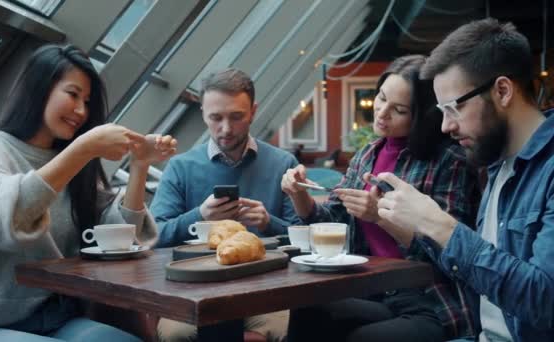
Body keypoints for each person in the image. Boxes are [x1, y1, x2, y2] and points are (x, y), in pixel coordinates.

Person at [0, 44, 177, 342]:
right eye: (72, 94)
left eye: (86, 101)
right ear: (39, 88)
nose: (81, 111)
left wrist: (140, 166)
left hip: (61, 319)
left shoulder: (72, 162)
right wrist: (83, 148)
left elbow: (121, 237)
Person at [374, 19, 554, 342]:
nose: (445, 126)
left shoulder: (548, 170)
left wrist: (439, 224)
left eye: (453, 108)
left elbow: (545, 300)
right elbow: (482, 277)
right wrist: (418, 229)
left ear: (502, 91)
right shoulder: (498, 165)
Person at [281, 55, 481, 342]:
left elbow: (453, 251)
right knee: (306, 310)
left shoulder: (449, 161)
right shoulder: (366, 155)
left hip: (429, 300)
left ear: (421, 115)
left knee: (363, 338)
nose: (382, 112)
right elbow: (334, 221)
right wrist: (300, 195)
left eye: (398, 109)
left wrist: (380, 217)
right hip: (376, 290)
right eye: (381, 97)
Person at [151, 68, 300, 341]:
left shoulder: (283, 164)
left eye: (237, 117)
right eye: (215, 118)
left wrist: (269, 222)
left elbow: (304, 238)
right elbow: (155, 236)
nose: (226, 129)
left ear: (253, 111)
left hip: (266, 288)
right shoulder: (180, 167)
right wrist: (199, 217)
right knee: (177, 335)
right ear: (202, 113)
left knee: (272, 331)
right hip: (193, 290)